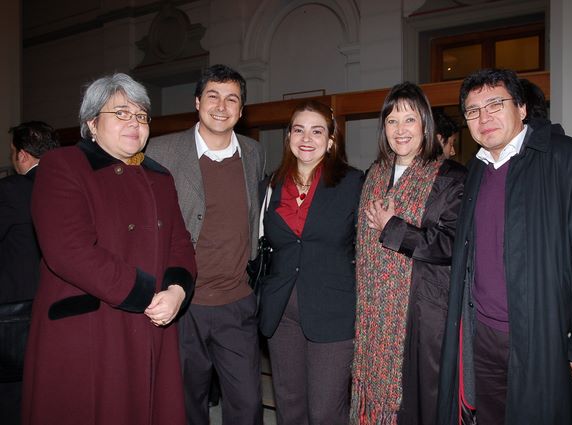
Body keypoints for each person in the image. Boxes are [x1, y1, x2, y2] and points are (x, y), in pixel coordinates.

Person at [436, 68, 572, 425]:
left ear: (521, 108)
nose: (484, 117)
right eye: (473, 111)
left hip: (545, 335)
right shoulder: (476, 170)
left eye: (495, 104)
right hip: (483, 335)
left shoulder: (569, 160)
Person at [20, 73, 196, 425]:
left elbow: (180, 242)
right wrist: (146, 293)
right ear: (92, 123)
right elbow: (68, 250)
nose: (135, 122)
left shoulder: (160, 176)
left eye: (141, 115)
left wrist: (177, 291)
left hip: (151, 323)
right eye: (121, 113)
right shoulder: (63, 165)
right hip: (91, 328)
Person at [145, 64, 265, 425]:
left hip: (237, 303)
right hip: (183, 305)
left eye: (232, 99)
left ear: (242, 110)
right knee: (185, 405)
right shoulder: (161, 151)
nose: (222, 106)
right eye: (213, 96)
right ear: (197, 102)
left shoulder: (253, 153)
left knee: (248, 405)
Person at [350, 82, 466, 425]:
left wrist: (393, 228)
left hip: (423, 316)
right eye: (392, 121)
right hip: (373, 315)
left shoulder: (450, 177)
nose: (400, 130)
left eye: (409, 119)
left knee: (418, 407)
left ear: (425, 124)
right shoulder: (374, 174)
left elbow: (452, 244)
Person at [259, 100, 363, 425]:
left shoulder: (353, 183)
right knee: (289, 406)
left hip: (333, 312)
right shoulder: (271, 185)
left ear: (330, 140)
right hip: (282, 312)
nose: (306, 138)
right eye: (299, 130)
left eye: (317, 131)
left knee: (325, 411)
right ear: (288, 136)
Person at [0, 121, 58, 425]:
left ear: (22, 155)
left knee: (13, 398)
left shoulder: (11, 190)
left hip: (15, 316)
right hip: (61, 311)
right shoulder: (72, 186)